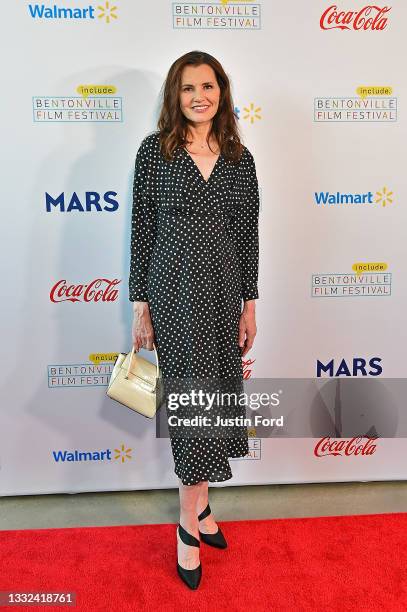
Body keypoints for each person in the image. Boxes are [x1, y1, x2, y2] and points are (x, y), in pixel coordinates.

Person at [129, 50, 259, 590]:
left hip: (225, 294)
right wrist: (141, 304)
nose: (199, 96)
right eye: (187, 88)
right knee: (192, 412)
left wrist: (249, 303)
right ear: (174, 97)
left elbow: (249, 234)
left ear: (222, 92)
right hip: (175, 297)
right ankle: (188, 525)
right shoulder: (154, 153)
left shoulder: (239, 157)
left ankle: (202, 510)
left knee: (217, 405)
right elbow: (141, 229)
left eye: (208, 86)